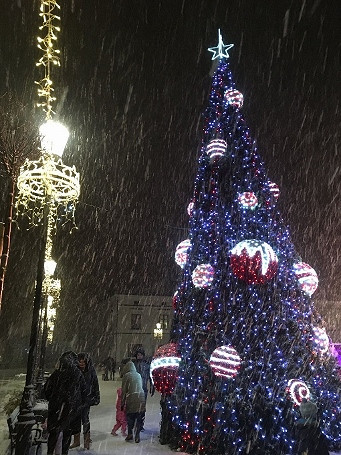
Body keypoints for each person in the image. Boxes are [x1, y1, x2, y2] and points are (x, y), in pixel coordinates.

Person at [44, 351, 87, 455]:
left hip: (56, 408)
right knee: (66, 434)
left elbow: (46, 390)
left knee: (54, 434)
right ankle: (64, 452)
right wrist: (77, 403)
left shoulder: (56, 374)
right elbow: (84, 392)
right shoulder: (77, 374)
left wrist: (54, 399)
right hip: (70, 409)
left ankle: (50, 452)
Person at [69, 352, 100, 450]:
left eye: (83, 362)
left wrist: (96, 397)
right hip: (76, 399)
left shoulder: (90, 371)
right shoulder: (75, 371)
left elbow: (95, 384)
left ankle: (87, 440)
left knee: (85, 420)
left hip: (86, 399)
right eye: (80, 362)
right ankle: (76, 440)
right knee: (75, 420)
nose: (81, 364)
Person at [121, 360, 146, 443]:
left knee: (130, 417)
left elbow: (124, 390)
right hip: (141, 397)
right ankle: (137, 435)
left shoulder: (126, 376)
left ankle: (130, 434)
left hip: (132, 397)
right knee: (139, 417)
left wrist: (122, 402)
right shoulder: (138, 375)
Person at [132, 347, 155, 430]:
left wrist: (152, 386)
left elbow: (150, 377)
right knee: (134, 407)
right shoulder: (133, 365)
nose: (139, 356)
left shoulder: (146, 366)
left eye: (141, 355)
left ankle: (140, 424)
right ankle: (134, 423)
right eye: (138, 355)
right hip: (134, 390)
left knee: (142, 408)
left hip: (143, 389)